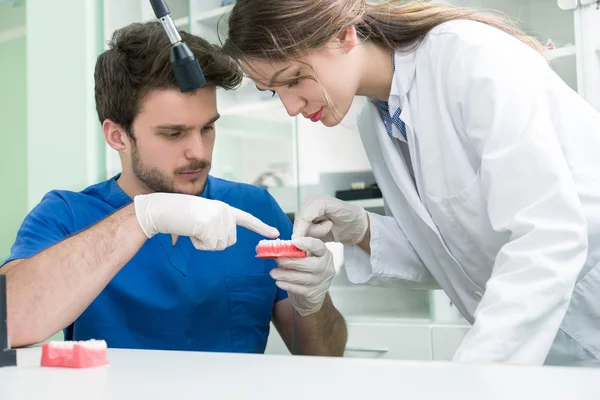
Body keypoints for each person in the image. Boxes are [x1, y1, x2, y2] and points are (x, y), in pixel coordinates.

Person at [223, 0, 600, 366]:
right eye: (274, 90)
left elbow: (548, 234)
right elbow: (454, 253)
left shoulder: (467, 56)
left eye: (293, 79)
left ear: (344, 35)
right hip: (551, 346)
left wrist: (479, 375)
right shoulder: (379, 122)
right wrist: (361, 229)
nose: (290, 107)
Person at [0, 22, 347, 356]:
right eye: (173, 133)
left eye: (207, 129)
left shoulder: (254, 209)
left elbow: (324, 358)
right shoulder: (67, 215)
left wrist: (312, 302)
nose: (199, 151)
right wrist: (139, 219)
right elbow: (9, 322)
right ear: (117, 136)